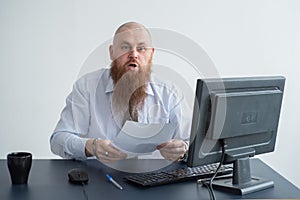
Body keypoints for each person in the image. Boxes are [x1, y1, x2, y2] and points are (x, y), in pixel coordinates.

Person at [50, 22, 191, 163]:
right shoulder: (87, 87)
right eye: (125, 47)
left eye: (141, 48)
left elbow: (191, 141)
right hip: (100, 177)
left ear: (151, 54)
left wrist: (182, 150)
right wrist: (90, 147)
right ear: (112, 52)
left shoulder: (170, 93)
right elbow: (58, 140)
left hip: (154, 180)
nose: (133, 54)